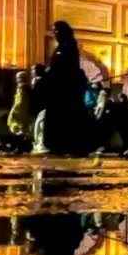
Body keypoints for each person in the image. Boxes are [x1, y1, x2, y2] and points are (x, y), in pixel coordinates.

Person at [42, 20, 90, 155]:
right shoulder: (62, 47)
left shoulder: (68, 47)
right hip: (59, 89)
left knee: (65, 118)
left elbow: (67, 69)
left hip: (66, 90)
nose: (54, 34)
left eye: (56, 31)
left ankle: (65, 145)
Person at [8, 71, 33, 141]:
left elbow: (19, 101)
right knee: (24, 128)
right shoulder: (28, 88)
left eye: (17, 78)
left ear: (21, 79)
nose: (16, 80)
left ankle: (19, 142)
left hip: (19, 111)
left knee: (15, 127)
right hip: (26, 111)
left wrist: (13, 110)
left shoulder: (20, 88)